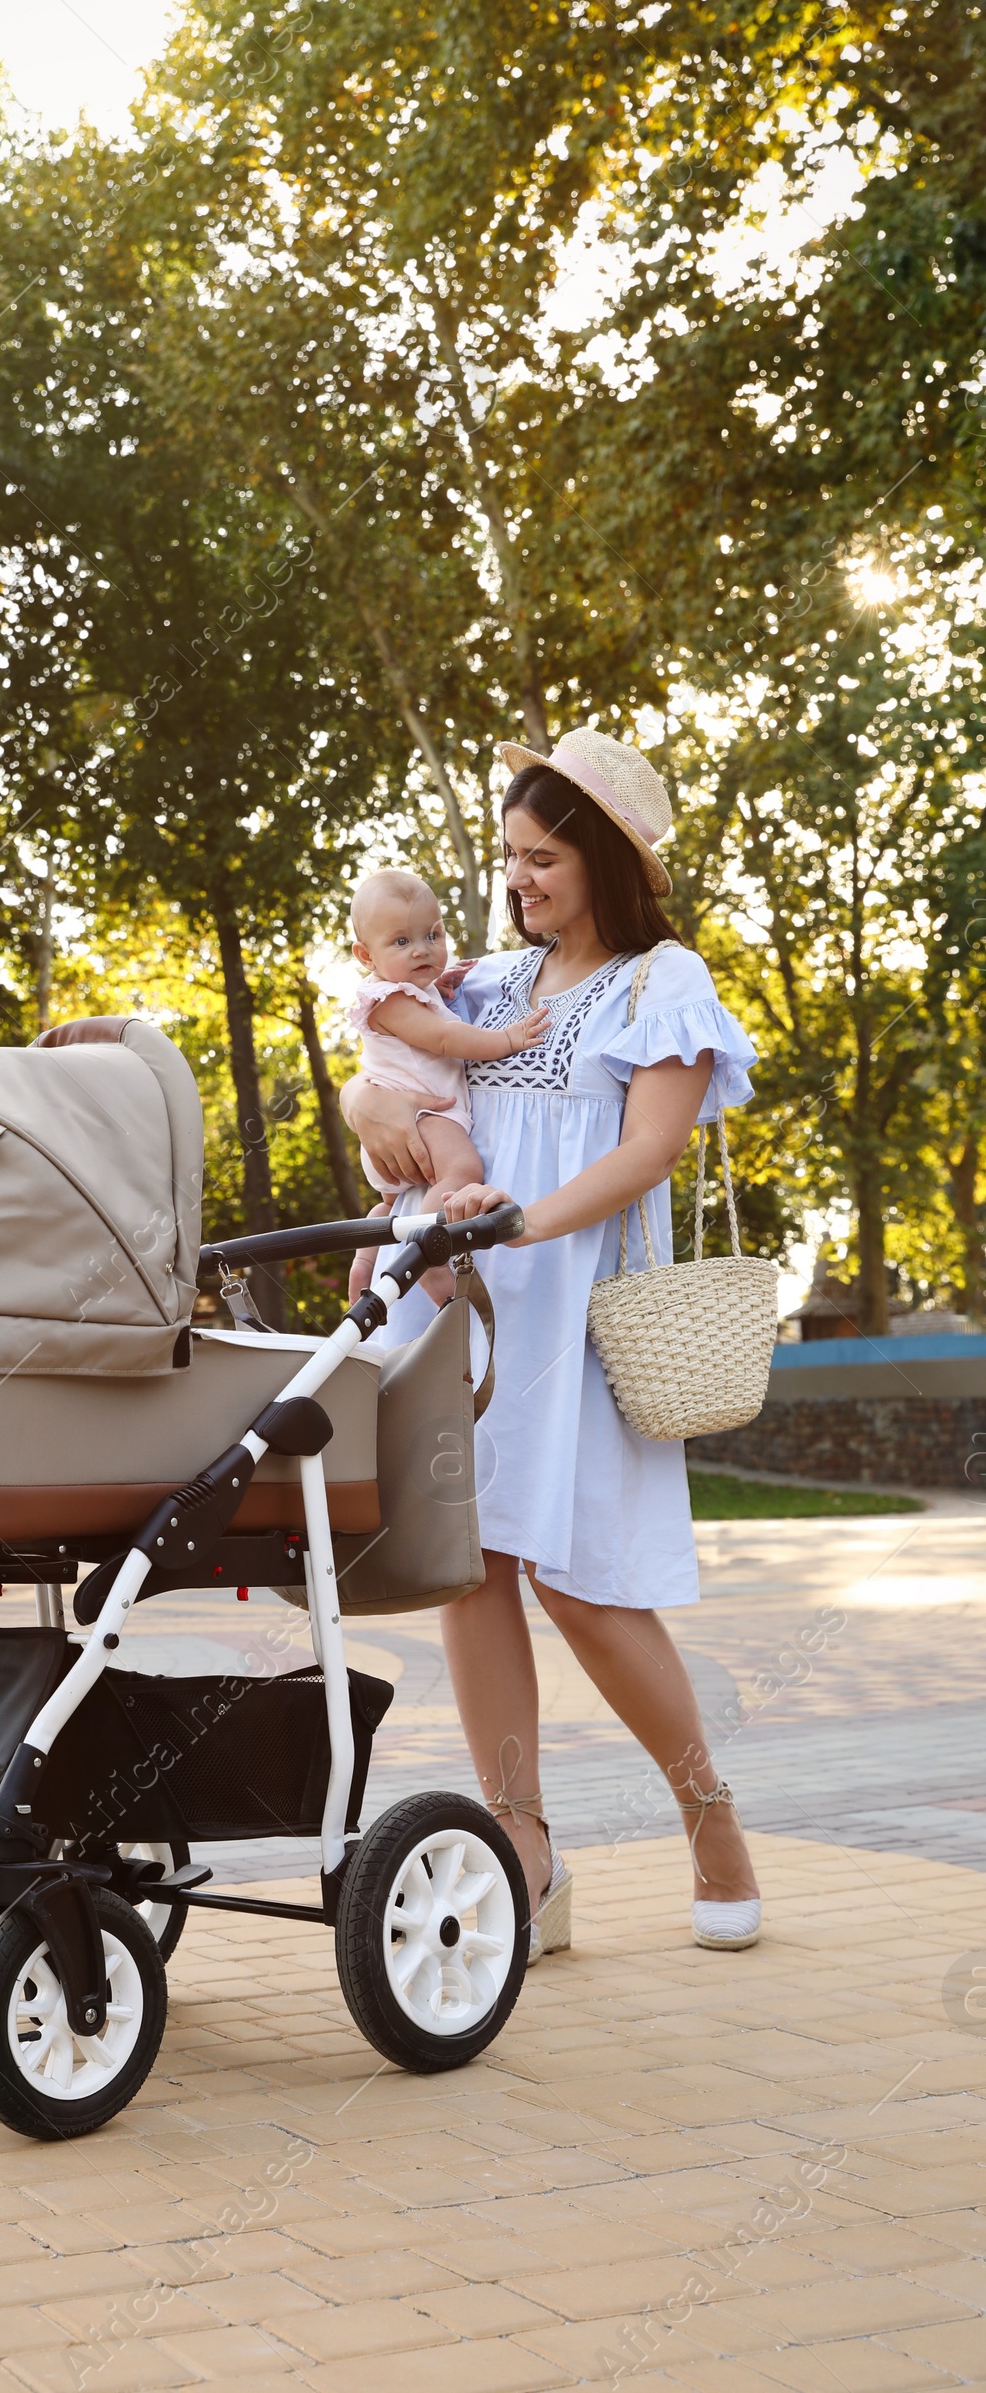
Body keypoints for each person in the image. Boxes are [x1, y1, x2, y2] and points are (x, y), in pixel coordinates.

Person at [340, 728, 763, 1958]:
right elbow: (385, 1092)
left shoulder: (657, 982)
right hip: (458, 1307)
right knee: (467, 1570)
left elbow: (647, 1153)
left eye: (540, 859)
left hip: (569, 1302)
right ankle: (522, 1850)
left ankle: (708, 1816)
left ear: (602, 862)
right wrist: (371, 1109)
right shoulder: (474, 990)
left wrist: (520, 1223)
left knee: (585, 1587)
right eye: (510, 857)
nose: (515, 880)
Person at [343, 868, 548, 1283]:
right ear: (366, 956)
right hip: (422, 1117)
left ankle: (366, 1260)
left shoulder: (414, 991)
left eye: (432, 935)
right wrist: (507, 1039)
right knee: (464, 1169)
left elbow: (431, 1010)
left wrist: (436, 986)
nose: (422, 950)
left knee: (392, 1203)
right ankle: (429, 1256)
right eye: (402, 942)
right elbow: (442, 1037)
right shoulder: (387, 1001)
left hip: (407, 1122)